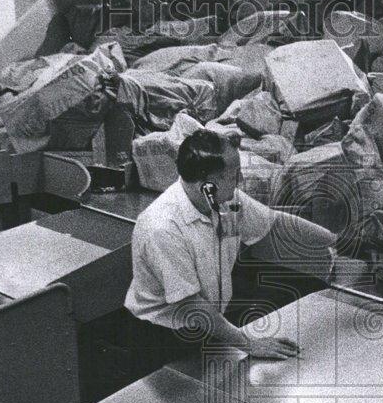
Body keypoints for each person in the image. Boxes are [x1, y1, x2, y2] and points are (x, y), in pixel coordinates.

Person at [125, 128, 337, 368]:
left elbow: (275, 223)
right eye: (234, 175)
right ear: (206, 183)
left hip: (210, 320)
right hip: (164, 338)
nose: (240, 181)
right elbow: (191, 304)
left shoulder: (224, 198)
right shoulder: (162, 228)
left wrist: (335, 240)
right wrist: (249, 344)